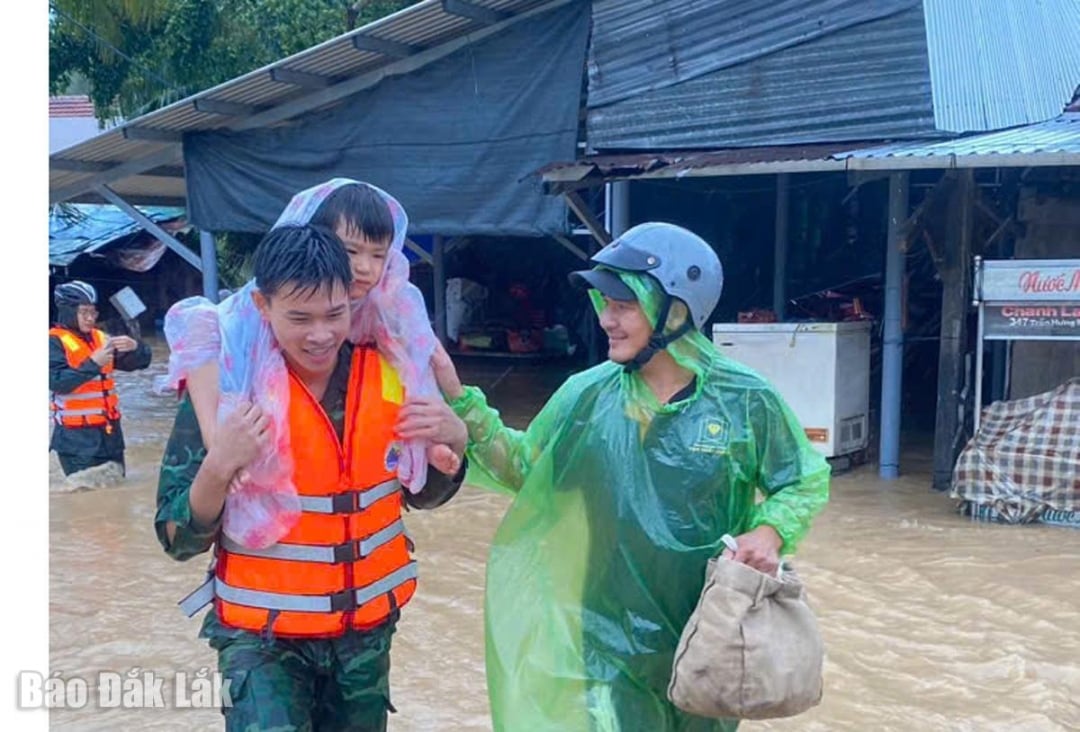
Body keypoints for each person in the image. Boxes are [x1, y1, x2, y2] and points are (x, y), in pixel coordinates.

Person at [427, 222, 831, 731]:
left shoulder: (745, 399)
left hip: (708, 635)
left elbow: (802, 478)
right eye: (604, 304)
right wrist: (464, 410)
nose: (606, 320)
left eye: (624, 304)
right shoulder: (586, 395)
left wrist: (770, 531)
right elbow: (528, 470)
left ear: (676, 309)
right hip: (605, 637)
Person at [155, 224, 469, 731]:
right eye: (299, 317)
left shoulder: (390, 369)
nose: (320, 334)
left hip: (363, 642)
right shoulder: (231, 388)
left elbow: (423, 495)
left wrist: (453, 442)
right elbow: (175, 539)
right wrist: (218, 466)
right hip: (262, 645)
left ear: (352, 298)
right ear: (262, 305)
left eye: (335, 314)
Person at [49, 280, 151, 477]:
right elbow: (57, 382)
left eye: (93, 312)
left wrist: (136, 348)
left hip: (110, 436)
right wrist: (93, 364)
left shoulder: (101, 338)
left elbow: (139, 363)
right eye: (84, 312)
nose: (90, 318)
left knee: (117, 496)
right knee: (82, 498)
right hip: (76, 442)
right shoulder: (53, 342)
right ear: (69, 312)